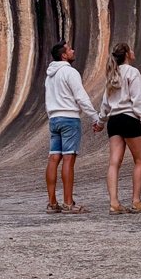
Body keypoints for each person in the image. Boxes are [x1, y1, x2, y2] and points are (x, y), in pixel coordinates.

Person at [94, 43, 141, 214]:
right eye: (131, 49)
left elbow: (105, 103)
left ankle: (114, 202)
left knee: (114, 162)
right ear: (127, 54)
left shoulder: (112, 73)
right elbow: (138, 100)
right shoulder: (132, 72)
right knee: (140, 160)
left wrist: (100, 123)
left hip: (114, 121)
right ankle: (136, 200)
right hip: (129, 119)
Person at [45, 39, 100, 214]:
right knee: (69, 159)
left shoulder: (50, 75)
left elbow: (48, 98)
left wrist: (52, 116)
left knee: (54, 159)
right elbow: (81, 97)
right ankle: (69, 203)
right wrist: (95, 117)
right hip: (69, 118)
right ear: (63, 55)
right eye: (69, 50)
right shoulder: (70, 72)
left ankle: (52, 203)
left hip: (54, 119)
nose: (73, 51)